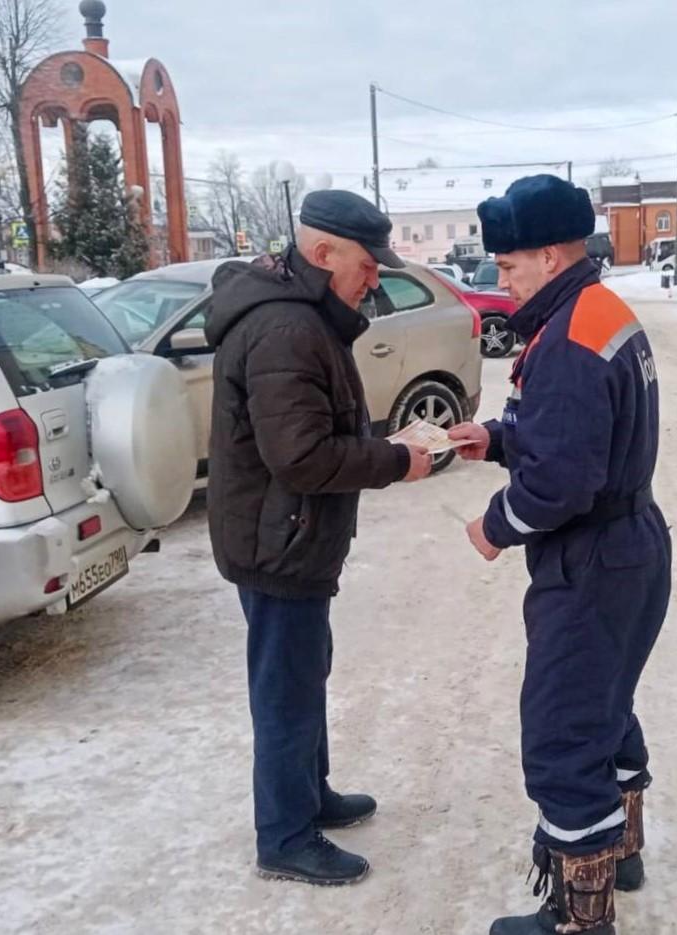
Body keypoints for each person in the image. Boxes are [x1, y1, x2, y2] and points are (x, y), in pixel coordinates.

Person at [449, 176, 672, 935]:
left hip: (591, 558)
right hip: (631, 544)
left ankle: (581, 918)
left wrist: (495, 524)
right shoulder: (595, 311)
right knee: (602, 705)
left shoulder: (570, 336)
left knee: (559, 734)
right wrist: (497, 439)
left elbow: (562, 481)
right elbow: (582, 437)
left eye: (508, 267)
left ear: (549, 254)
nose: (500, 282)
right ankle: (621, 848)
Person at [203, 190, 432, 886]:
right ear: (323, 252)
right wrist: (394, 459)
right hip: (279, 541)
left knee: (305, 671)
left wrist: (380, 441)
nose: (375, 279)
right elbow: (299, 457)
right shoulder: (285, 329)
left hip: (287, 533)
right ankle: (285, 833)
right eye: (368, 265)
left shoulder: (305, 318)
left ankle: (311, 794)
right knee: (286, 690)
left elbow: (311, 431)